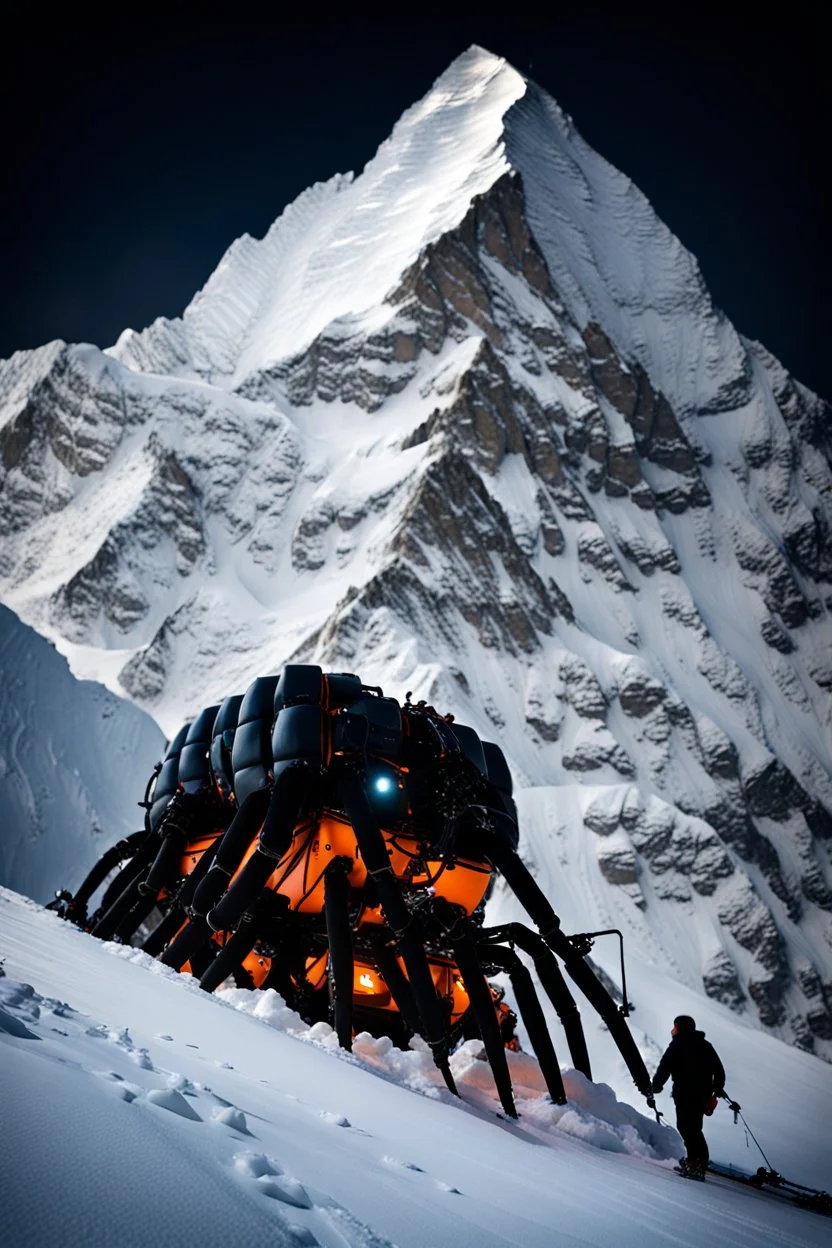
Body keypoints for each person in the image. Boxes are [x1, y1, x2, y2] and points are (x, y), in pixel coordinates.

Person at [652, 1015, 725, 1179]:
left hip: (684, 1094)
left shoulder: (677, 1044)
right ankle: (698, 1162)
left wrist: (656, 1086)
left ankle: (696, 1164)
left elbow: (665, 1067)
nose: (672, 1030)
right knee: (695, 1127)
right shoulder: (706, 1046)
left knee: (687, 1127)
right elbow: (719, 1069)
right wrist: (717, 1088)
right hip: (702, 1095)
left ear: (678, 1027)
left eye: (674, 1026)